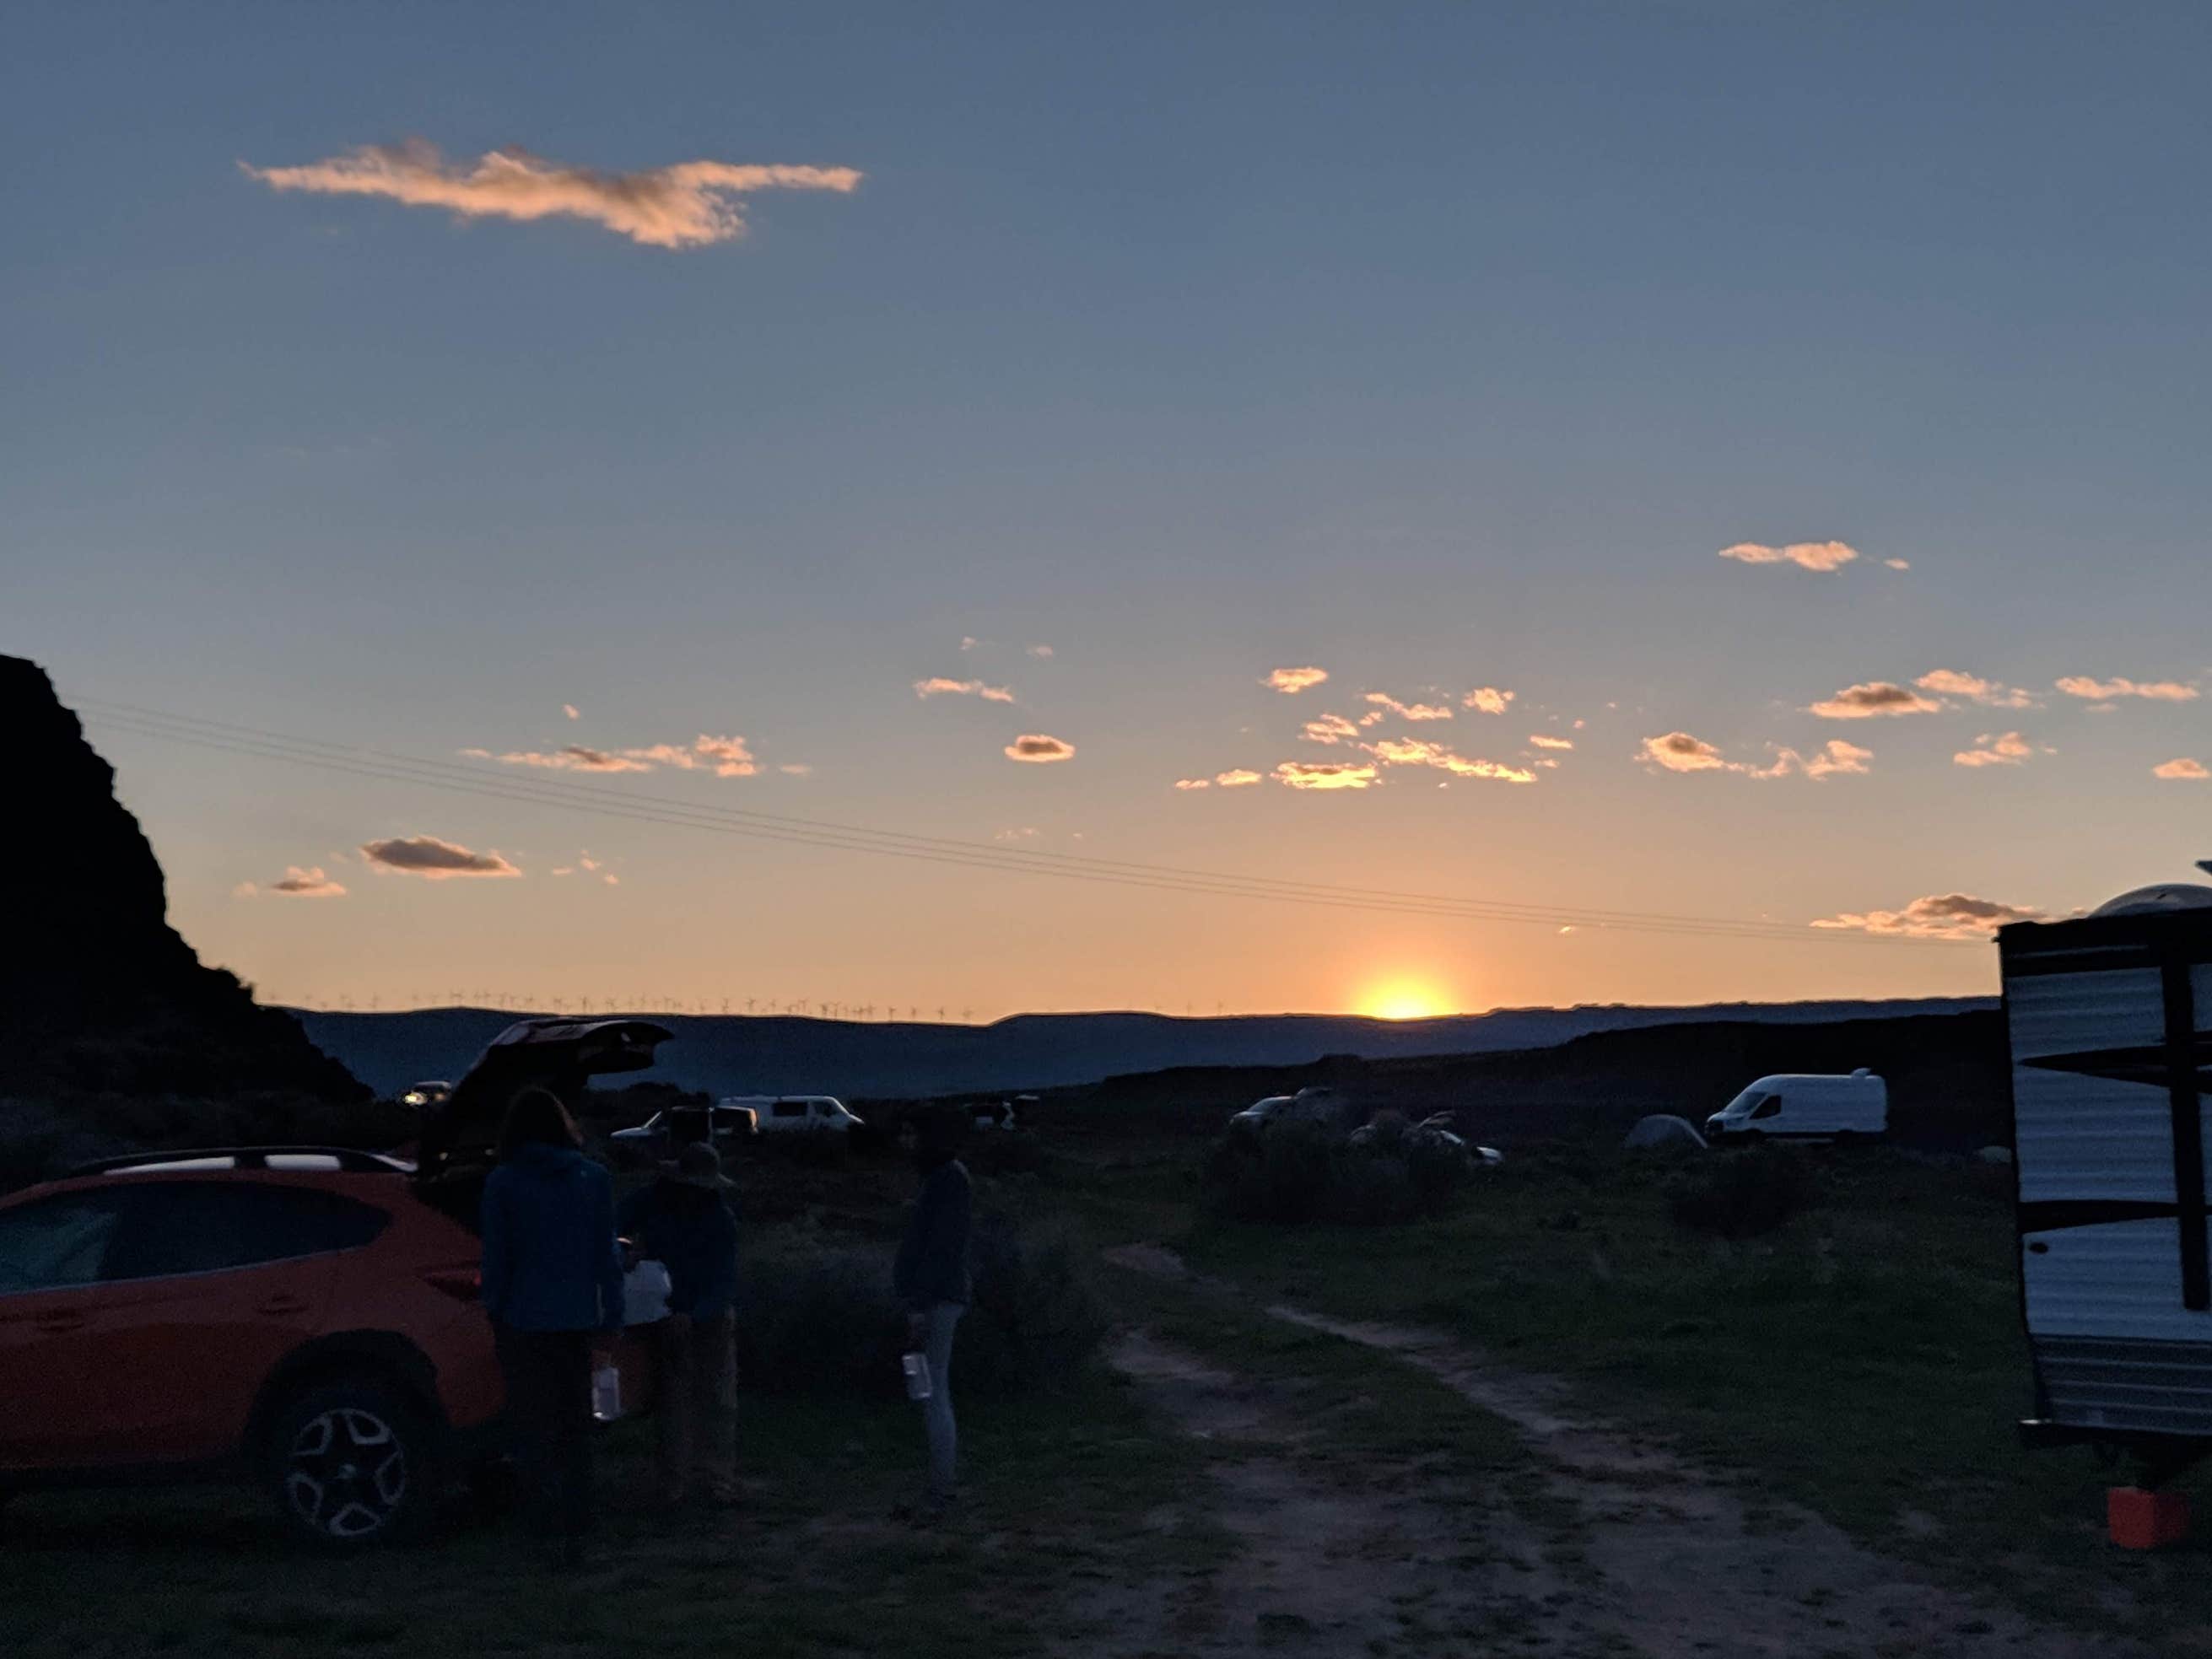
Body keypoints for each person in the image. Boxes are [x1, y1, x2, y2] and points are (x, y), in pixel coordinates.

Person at [479, 1087, 625, 1568]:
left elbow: (498, 1259)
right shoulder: (593, 1179)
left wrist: (494, 1309)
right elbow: (607, 1256)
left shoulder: (503, 1183)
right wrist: (613, 1316)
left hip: (523, 1321)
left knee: (533, 1430)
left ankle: (538, 1531)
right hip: (578, 1319)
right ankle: (580, 1530)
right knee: (577, 1428)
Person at [618, 1139, 741, 1508]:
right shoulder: (651, 1202)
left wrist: (695, 1313)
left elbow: (723, 1279)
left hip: (706, 1316)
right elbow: (614, 1227)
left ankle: (715, 1479)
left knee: (715, 1397)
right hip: (665, 1314)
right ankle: (675, 1482)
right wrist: (627, 1251)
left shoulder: (719, 1218)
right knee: (675, 1400)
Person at [893, 1107, 973, 1520]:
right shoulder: (942, 1179)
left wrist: (920, 1304)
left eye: (911, 1133)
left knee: (933, 1391)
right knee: (928, 1390)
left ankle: (942, 1485)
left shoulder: (947, 1180)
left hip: (936, 1301)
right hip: (933, 1299)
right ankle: (938, 1479)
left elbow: (941, 1249)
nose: (906, 1142)